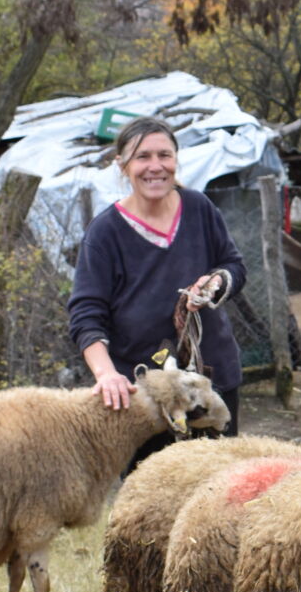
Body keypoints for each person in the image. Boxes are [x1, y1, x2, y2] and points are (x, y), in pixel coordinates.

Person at [68, 116, 247, 460]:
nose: (155, 167)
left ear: (176, 160)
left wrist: (216, 283)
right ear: (122, 165)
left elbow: (234, 265)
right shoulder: (105, 233)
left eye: (164, 155)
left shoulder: (200, 209)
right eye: (142, 157)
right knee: (152, 495)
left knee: (218, 486)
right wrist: (107, 375)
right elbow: (86, 315)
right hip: (145, 394)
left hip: (211, 380)